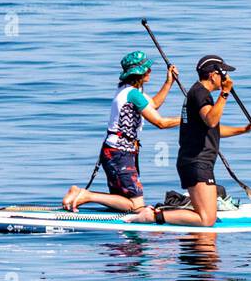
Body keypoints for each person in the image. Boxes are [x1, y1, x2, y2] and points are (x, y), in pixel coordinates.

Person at [129, 55, 251, 227]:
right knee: (206, 220)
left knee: (206, 216)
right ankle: (153, 216)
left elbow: (213, 129)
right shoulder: (200, 94)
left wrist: (243, 130)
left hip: (195, 162)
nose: (226, 78)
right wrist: (225, 93)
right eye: (224, 74)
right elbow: (211, 120)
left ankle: (162, 213)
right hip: (197, 162)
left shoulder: (198, 93)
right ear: (213, 75)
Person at [61, 52, 179, 213]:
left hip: (116, 151)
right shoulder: (133, 94)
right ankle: (86, 195)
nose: (150, 71)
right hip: (119, 154)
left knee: (124, 204)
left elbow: (153, 105)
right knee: (136, 206)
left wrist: (168, 82)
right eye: (147, 69)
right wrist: (190, 118)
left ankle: (86, 198)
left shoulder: (126, 90)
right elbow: (160, 122)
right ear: (139, 73)